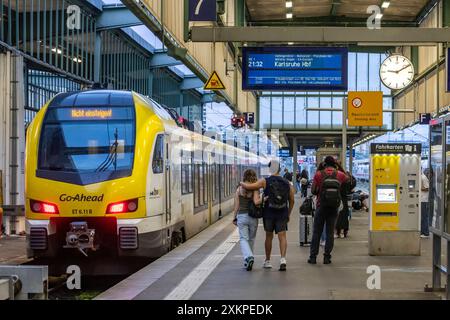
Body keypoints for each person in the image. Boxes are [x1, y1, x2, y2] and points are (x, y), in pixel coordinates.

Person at [241, 159, 295, 271]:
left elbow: (249, 187)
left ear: (270, 169)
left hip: (269, 213)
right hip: (282, 213)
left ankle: (268, 261)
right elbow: (292, 200)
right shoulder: (287, 183)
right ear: (279, 169)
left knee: (268, 236)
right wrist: (288, 213)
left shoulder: (264, 181)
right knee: (282, 236)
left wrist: (241, 183)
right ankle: (283, 259)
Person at [308, 156, 349, 265]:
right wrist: (339, 166)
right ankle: (327, 257)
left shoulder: (319, 174)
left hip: (321, 206)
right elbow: (348, 179)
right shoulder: (339, 175)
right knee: (330, 233)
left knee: (317, 232)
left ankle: (313, 257)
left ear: (324, 164)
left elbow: (313, 191)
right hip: (334, 207)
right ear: (334, 164)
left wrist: (319, 169)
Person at [232, 169, 263, 271]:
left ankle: (248, 258)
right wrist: (263, 198)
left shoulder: (239, 189)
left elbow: (236, 205)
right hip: (253, 217)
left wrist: (234, 217)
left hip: (241, 216)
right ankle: (248, 259)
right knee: (251, 239)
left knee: (243, 239)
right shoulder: (255, 188)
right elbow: (256, 202)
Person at [420, 168, 430, 238]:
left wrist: (419, 188)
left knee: (424, 217)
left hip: (424, 200)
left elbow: (427, 188)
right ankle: (422, 232)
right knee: (422, 217)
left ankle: (426, 233)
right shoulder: (420, 177)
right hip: (421, 200)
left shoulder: (423, 177)